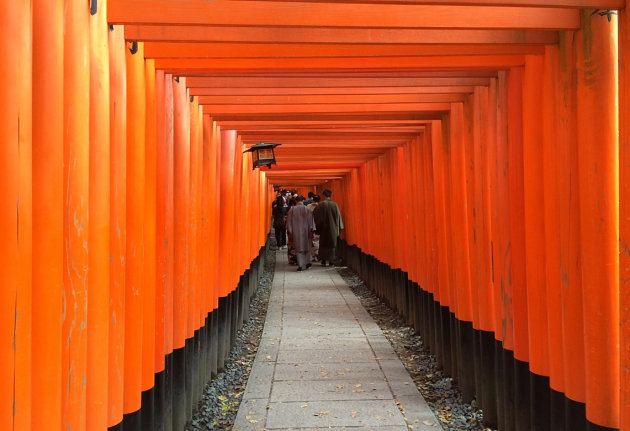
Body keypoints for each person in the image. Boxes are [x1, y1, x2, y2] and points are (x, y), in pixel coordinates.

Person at [313, 189, 344, 266]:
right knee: (332, 245)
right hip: (333, 228)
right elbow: (338, 217)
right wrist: (338, 229)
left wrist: (317, 227)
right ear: (331, 195)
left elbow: (315, 215)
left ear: (324, 196)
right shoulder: (335, 205)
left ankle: (323, 260)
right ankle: (331, 261)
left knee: (323, 244)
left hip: (323, 228)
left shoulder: (320, 205)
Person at [286, 195, 315, 271]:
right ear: (303, 201)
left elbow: (288, 222)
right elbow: (311, 222)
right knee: (307, 247)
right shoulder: (307, 209)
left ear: (296, 201)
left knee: (298, 248)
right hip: (306, 231)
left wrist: (290, 232)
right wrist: (312, 231)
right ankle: (307, 263)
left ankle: (300, 265)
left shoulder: (292, 210)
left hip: (296, 232)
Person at [307, 195, 320, 261]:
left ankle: (313, 255)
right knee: (318, 240)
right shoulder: (320, 206)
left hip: (311, 225)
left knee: (312, 241)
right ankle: (317, 253)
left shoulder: (308, 206)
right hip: (319, 225)